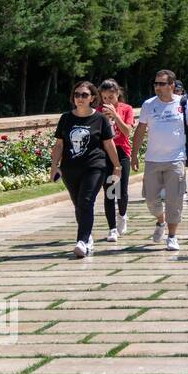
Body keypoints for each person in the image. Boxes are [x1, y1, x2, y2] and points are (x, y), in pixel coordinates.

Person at [131, 70, 188, 252]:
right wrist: (134, 154)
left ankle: (172, 236)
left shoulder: (184, 104)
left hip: (176, 159)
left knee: (174, 200)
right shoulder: (148, 105)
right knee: (151, 200)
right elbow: (140, 130)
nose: (158, 87)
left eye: (161, 84)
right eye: (155, 84)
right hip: (153, 159)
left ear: (171, 85)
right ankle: (160, 220)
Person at [51, 81, 121, 258]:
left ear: (92, 98)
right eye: (77, 94)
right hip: (70, 168)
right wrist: (54, 166)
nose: (79, 98)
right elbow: (59, 145)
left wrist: (117, 166)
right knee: (79, 205)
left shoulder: (100, 119)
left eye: (84, 95)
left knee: (86, 201)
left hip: (95, 167)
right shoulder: (66, 118)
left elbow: (109, 144)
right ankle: (87, 236)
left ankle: (81, 241)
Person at [96, 80, 135, 243]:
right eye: (104, 98)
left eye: (111, 97)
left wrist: (116, 115)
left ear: (117, 94)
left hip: (122, 152)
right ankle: (112, 228)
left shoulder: (126, 109)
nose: (107, 101)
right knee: (110, 191)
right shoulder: (97, 112)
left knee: (122, 191)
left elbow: (127, 132)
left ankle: (122, 215)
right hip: (105, 153)